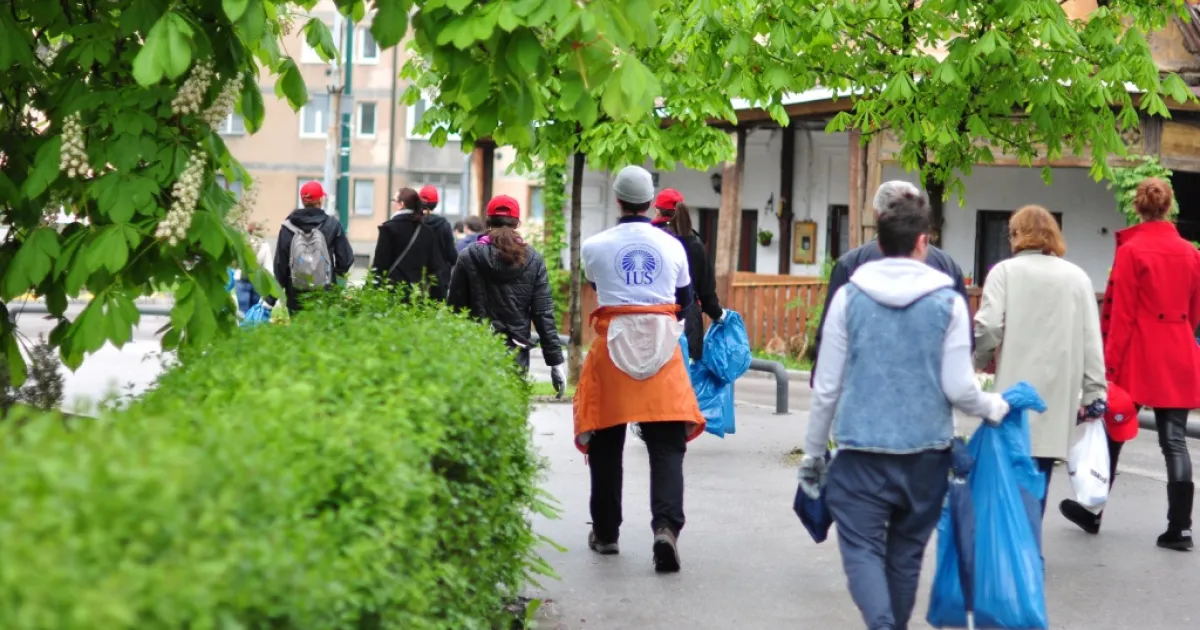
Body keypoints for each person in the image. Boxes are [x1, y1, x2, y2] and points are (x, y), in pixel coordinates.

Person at [798, 189, 1009, 630]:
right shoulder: (949, 301)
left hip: (860, 455)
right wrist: (994, 406)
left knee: (862, 550)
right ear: (923, 241)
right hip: (925, 458)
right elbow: (959, 387)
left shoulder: (848, 298)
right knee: (906, 556)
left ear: (879, 242)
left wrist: (814, 455)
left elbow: (827, 389)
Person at [575, 166, 705, 573]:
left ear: (617, 200)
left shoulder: (595, 246)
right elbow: (685, 299)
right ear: (651, 201)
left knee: (606, 443)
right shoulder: (673, 247)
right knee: (666, 445)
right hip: (662, 348)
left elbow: (597, 288)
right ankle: (665, 527)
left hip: (612, 347)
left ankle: (607, 533)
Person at [1060, 177, 1200, 551]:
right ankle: (1181, 528)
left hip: (1139, 352)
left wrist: (1108, 367)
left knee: (1114, 431)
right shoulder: (1191, 252)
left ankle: (1092, 510)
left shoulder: (1132, 250)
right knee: (1175, 441)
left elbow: (1119, 314)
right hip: (1180, 348)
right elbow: (1194, 310)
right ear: (1169, 206)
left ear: (1137, 207)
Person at [973, 205, 1108, 517]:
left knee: (1009, 469)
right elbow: (1091, 340)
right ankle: (1029, 546)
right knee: (1041, 470)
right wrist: (1094, 392)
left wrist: (976, 362)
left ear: (1016, 235)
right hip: (1057, 392)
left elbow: (989, 326)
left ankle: (1011, 544)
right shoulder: (1077, 277)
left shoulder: (1003, 272)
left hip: (1014, 390)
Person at [812, 181, 969, 385]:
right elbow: (962, 343)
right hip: (927, 391)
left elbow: (829, 340)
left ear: (877, 216)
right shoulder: (947, 266)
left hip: (862, 389)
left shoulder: (850, 264)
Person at [447, 195, 566, 394]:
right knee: (512, 409)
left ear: (487, 221)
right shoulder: (534, 259)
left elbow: (455, 309)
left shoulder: (468, 256)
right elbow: (543, 313)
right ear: (517, 223)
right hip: (516, 350)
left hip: (476, 349)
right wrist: (555, 363)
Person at [653, 188, 725, 360]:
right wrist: (718, 315)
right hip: (688, 325)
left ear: (657, 210)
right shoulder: (695, 242)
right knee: (685, 382)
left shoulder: (650, 238)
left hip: (653, 322)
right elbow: (706, 290)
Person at [269, 181, 353, 313]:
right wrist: (335, 283)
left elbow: (280, 266)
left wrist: (273, 297)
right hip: (325, 298)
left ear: (302, 201)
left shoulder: (287, 227)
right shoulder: (332, 224)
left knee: (298, 333)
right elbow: (346, 259)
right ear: (320, 200)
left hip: (296, 299)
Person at [372, 188, 448, 300]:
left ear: (401, 204)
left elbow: (379, 265)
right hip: (416, 295)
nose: (392, 203)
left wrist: (372, 290)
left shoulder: (388, 229)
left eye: (394, 200)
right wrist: (438, 297)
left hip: (392, 294)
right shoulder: (426, 231)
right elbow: (435, 267)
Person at [419, 185, 459, 298]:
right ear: (436, 203)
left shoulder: (414, 223)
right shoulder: (443, 225)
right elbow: (452, 255)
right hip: (439, 278)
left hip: (417, 276)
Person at [234, 222, 272, 314]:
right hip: (257, 280)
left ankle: (243, 327)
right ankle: (251, 327)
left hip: (242, 279)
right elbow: (268, 267)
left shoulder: (242, 243)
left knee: (242, 311)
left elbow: (235, 262)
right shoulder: (264, 245)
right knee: (253, 310)